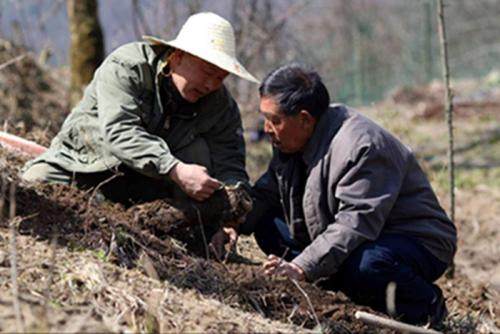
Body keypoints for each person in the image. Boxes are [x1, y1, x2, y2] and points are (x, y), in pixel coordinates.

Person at [217, 64, 457, 326]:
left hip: (415, 239)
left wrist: (302, 266)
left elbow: (355, 223)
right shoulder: (291, 138)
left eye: (274, 120)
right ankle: (339, 283)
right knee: (266, 224)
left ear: (305, 119)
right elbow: (267, 192)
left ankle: (427, 305)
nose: (267, 128)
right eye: (265, 118)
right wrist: (233, 223)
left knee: (366, 266)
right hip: (349, 235)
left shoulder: (362, 146)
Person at [22, 12, 258, 205]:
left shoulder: (221, 105)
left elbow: (231, 163)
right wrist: (174, 168)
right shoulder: (128, 67)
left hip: (153, 189)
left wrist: (231, 210)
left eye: (220, 77)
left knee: (201, 155)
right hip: (89, 165)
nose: (211, 84)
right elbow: (120, 132)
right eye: (207, 72)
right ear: (177, 57)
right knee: (38, 181)